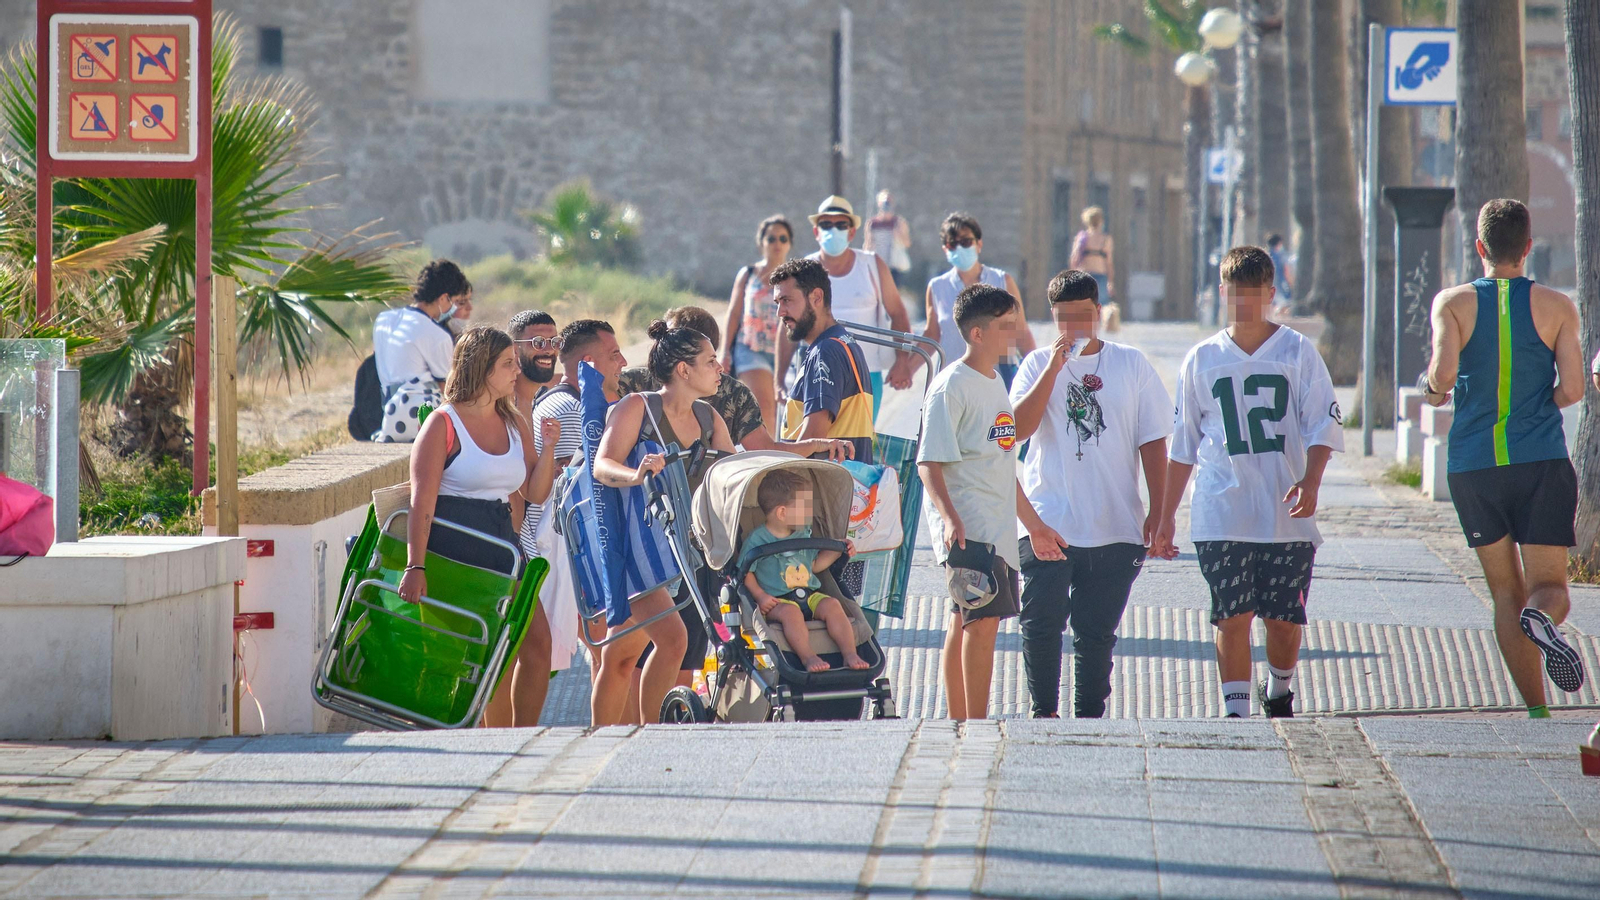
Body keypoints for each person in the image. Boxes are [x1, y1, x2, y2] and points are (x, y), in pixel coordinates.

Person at [1152, 246, 1343, 719]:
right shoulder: (1202, 358)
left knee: (1282, 620)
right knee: (1231, 616)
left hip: (1286, 514)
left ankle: (1279, 690)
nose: (1244, 306)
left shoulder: (1298, 352)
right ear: (1223, 293)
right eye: (1236, 295)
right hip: (1222, 510)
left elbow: (1324, 424)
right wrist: (1163, 519)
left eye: (1254, 296)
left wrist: (1312, 481)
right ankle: (1236, 715)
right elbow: (1183, 445)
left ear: (1271, 295)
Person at [1423, 199, 1586, 715]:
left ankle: (1536, 711)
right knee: (1550, 590)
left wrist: (1430, 389)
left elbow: (1443, 378)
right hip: (1540, 463)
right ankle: (1544, 622)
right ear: (1528, 247)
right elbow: (1576, 389)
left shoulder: (1451, 303)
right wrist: (1544, 402)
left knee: (1504, 595)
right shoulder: (1559, 307)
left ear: (1480, 248)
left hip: (1474, 468)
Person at [1011, 270, 1171, 719]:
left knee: (1096, 633)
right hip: (1048, 523)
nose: (1074, 329)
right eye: (1064, 320)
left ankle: (1090, 719)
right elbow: (1016, 432)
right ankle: (1043, 714)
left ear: (1099, 314)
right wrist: (1052, 369)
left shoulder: (1131, 363)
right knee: (1041, 624)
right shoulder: (1036, 365)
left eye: (1083, 318)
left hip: (1115, 526)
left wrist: (1160, 512)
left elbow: (1154, 441)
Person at [395, 328, 561, 726]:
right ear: (481, 368)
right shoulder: (442, 424)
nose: (515, 371)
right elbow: (422, 502)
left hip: (504, 548)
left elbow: (535, 493)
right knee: (484, 657)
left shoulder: (514, 420)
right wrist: (414, 566)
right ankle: (495, 743)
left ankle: (523, 737)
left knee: (538, 645)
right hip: (455, 553)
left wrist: (550, 447)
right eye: (506, 363)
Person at [590, 321, 740, 726]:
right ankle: (649, 737)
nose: (719, 367)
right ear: (683, 370)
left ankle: (609, 737)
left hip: (685, 552)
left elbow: (736, 475)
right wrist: (636, 474)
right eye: (710, 361)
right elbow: (601, 466)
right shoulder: (636, 407)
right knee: (672, 640)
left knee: (622, 657)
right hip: (637, 545)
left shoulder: (709, 419)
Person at [919, 283, 1033, 721]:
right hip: (971, 527)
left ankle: (959, 722)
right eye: (1006, 327)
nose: (1015, 333)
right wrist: (949, 519)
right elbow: (928, 462)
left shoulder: (994, 383)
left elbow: (1002, 462)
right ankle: (975, 725)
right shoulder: (952, 386)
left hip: (997, 527)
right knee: (980, 627)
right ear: (978, 334)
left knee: (963, 622)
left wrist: (1034, 525)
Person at [621, 305, 853, 459]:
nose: (664, 344)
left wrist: (816, 444)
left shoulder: (725, 403)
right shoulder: (635, 391)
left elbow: (753, 459)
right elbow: (602, 458)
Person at [776, 195, 914, 416]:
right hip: (815, 373)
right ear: (816, 231)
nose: (834, 230)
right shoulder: (803, 271)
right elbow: (787, 325)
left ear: (852, 232)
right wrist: (779, 379)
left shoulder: (872, 265)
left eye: (841, 225)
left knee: (859, 445)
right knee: (811, 445)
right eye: (826, 224)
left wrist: (902, 361)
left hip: (866, 375)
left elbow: (898, 313)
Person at [740, 469, 869, 672]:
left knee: (833, 605)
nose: (810, 512)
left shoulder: (803, 534)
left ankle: (850, 653)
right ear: (782, 512)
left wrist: (837, 550)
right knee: (791, 613)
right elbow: (745, 573)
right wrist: (761, 596)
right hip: (778, 601)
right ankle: (808, 656)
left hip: (809, 594)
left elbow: (814, 565)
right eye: (804, 507)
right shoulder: (758, 539)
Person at [770, 258, 876, 465]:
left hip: (820, 490)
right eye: (777, 303)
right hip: (837, 486)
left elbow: (811, 441)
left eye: (787, 300)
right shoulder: (841, 341)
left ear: (817, 297)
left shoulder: (825, 352)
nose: (780, 312)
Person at [919, 212, 1036, 386]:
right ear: (945, 249)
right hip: (953, 383)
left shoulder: (1002, 281)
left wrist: (1038, 371)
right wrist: (905, 368)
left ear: (978, 244)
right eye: (953, 244)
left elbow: (1021, 333)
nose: (960, 248)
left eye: (966, 242)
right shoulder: (937, 287)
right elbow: (931, 336)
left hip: (997, 381)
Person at [371, 259, 474, 442]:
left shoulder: (383, 319)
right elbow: (448, 389)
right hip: (420, 418)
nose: (453, 308)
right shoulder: (436, 334)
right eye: (454, 302)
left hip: (388, 413)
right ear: (443, 298)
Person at [721, 215, 792, 432]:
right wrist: (724, 351)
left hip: (786, 352)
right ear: (761, 242)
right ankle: (768, 462)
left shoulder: (795, 276)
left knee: (788, 413)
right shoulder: (748, 274)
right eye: (771, 239)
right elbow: (733, 313)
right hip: (751, 349)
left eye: (782, 238)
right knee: (765, 406)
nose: (777, 244)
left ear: (789, 243)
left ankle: (780, 457)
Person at [509, 309, 560, 415]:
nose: (549, 350)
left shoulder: (544, 405)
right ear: (514, 349)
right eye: (538, 342)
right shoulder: (501, 407)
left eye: (554, 341)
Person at [861, 189, 912, 288]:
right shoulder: (872, 223)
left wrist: (898, 234)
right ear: (879, 203)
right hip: (877, 265)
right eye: (884, 201)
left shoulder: (899, 222)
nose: (886, 204)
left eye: (889, 201)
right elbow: (867, 244)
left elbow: (907, 243)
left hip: (894, 266)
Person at [1069, 207, 1114, 303]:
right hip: (1100, 276)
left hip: (1084, 276)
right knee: (1100, 307)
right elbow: (1109, 263)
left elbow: (1074, 259)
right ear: (1101, 221)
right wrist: (1110, 282)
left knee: (1084, 306)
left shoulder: (1082, 238)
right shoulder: (1106, 239)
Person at [1266, 233, 1294, 313]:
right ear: (1279, 244)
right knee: (1284, 306)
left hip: (1267, 287)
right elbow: (1286, 272)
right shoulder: (1281, 256)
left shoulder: (1264, 255)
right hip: (1280, 286)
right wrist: (1291, 284)